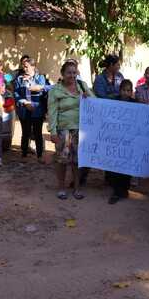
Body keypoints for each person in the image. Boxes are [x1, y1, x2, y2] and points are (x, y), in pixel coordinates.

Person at [48, 60, 94, 200]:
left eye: (74, 72)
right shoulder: (56, 90)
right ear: (62, 74)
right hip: (64, 130)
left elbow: (95, 102)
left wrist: (88, 96)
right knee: (62, 160)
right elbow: (52, 112)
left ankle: (77, 188)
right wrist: (53, 131)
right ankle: (61, 188)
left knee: (77, 161)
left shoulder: (82, 86)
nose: (72, 75)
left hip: (81, 130)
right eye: (69, 72)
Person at [106, 79, 135, 204]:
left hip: (129, 140)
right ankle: (116, 191)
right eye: (124, 90)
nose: (126, 93)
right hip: (115, 139)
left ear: (131, 92)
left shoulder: (136, 104)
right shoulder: (114, 102)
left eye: (128, 90)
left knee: (127, 165)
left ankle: (125, 189)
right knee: (116, 165)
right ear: (120, 90)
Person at [14, 57, 48, 163]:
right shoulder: (19, 79)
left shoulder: (40, 77)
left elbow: (43, 89)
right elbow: (16, 93)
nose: (24, 69)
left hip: (37, 109)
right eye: (23, 66)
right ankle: (24, 154)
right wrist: (24, 102)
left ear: (33, 67)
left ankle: (40, 156)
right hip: (25, 109)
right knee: (25, 132)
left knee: (38, 133)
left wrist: (32, 84)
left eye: (26, 66)